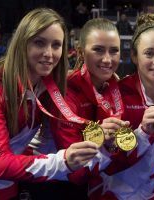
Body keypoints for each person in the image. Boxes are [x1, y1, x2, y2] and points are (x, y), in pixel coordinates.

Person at [0, 8, 99, 200]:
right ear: (22, 42)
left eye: (56, 45)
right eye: (39, 43)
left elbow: (78, 77)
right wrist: (62, 162)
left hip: (9, 186)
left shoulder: (46, 82)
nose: (49, 54)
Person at [97, 13, 154, 199]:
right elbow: (108, 163)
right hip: (112, 192)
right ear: (134, 57)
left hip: (153, 192)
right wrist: (142, 132)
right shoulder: (115, 94)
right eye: (149, 53)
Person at [51, 17, 130, 199]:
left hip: (98, 184)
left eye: (114, 51)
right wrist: (103, 143)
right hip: (59, 188)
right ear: (80, 52)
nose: (107, 59)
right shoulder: (66, 92)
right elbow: (76, 173)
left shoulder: (115, 87)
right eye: (98, 50)